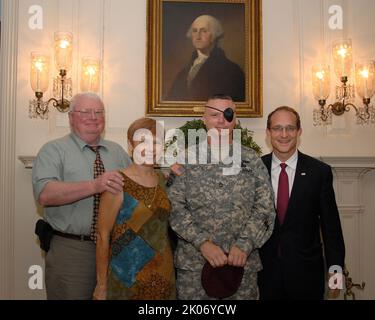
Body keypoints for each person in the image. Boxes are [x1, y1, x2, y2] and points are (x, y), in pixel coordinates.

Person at [168, 94, 275, 299]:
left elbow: (265, 207)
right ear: (204, 119)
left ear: (234, 119)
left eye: (227, 114)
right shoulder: (185, 159)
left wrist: (245, 244)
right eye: (214, 115)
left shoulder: (251, 159)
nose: (221, 120)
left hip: (242, 268)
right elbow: (175, 208)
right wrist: (202, 243)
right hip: (195, 269)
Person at [32, 92, 132, 300]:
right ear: (70, 117)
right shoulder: (53, 151)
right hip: (72, 251)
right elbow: (45, 195)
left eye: (98, 112)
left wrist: (169, 175)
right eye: (85, 111)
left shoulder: (118, 152)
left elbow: (138, 191)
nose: (93, 117)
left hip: (115, 249)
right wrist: (95, 185)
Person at [258, 106, 346, 300]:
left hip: (307, 276)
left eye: (290, 128)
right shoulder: (254, 169)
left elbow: (331, 229)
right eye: (277, 128)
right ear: (268, 133)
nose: (284, 134)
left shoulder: (319, 172)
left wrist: (336, 272)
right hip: (262, 275)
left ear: (299, 132)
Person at [93, 118, 176, 300]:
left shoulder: (164, 180)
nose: (152, 148)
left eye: (156, 142)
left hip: (163, 274)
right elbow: (102, 236)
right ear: (131, 146)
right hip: (126, 276)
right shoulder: (118, 183)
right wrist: (101, 285)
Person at [166, 15, 245, 102]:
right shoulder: (184, 72)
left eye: (204, 31)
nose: (198, 36)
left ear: (214, 35)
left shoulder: (232, 70)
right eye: (195, 31)